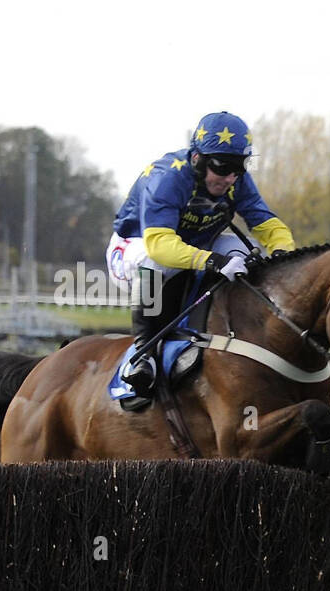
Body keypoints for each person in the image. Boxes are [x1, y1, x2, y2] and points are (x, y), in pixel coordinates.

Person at [108, 110, 296, 396]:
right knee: (153, 259)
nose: (230, 178)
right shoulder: (167, 178)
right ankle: (142, 352)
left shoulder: (236, 180)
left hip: (192, 249)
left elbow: (269, 227)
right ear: (197, 160)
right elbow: (159, 244)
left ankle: (220, 332)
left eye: (239, 167)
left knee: (245, 253)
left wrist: (284, 257)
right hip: (134, 249)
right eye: (222, 167)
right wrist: (212, 261)